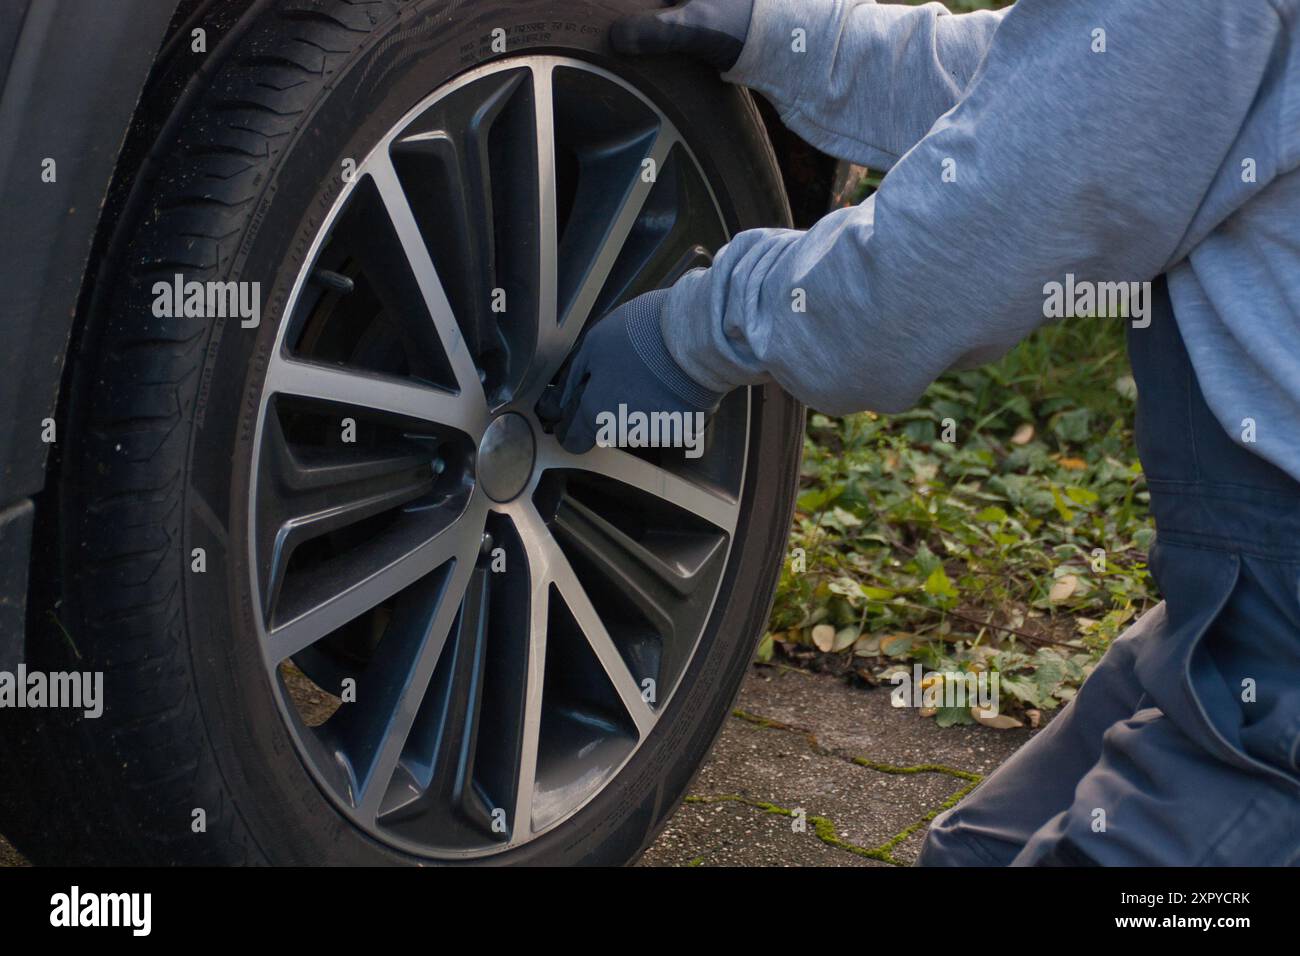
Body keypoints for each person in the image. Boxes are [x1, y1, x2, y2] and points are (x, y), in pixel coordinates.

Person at [542, 0, 1300, 865]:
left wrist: (696, 328)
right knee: (972, 854)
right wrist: (790, 41)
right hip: (1240, 600)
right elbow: (1060, 88)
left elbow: (954, 252)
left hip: (1280, 655)